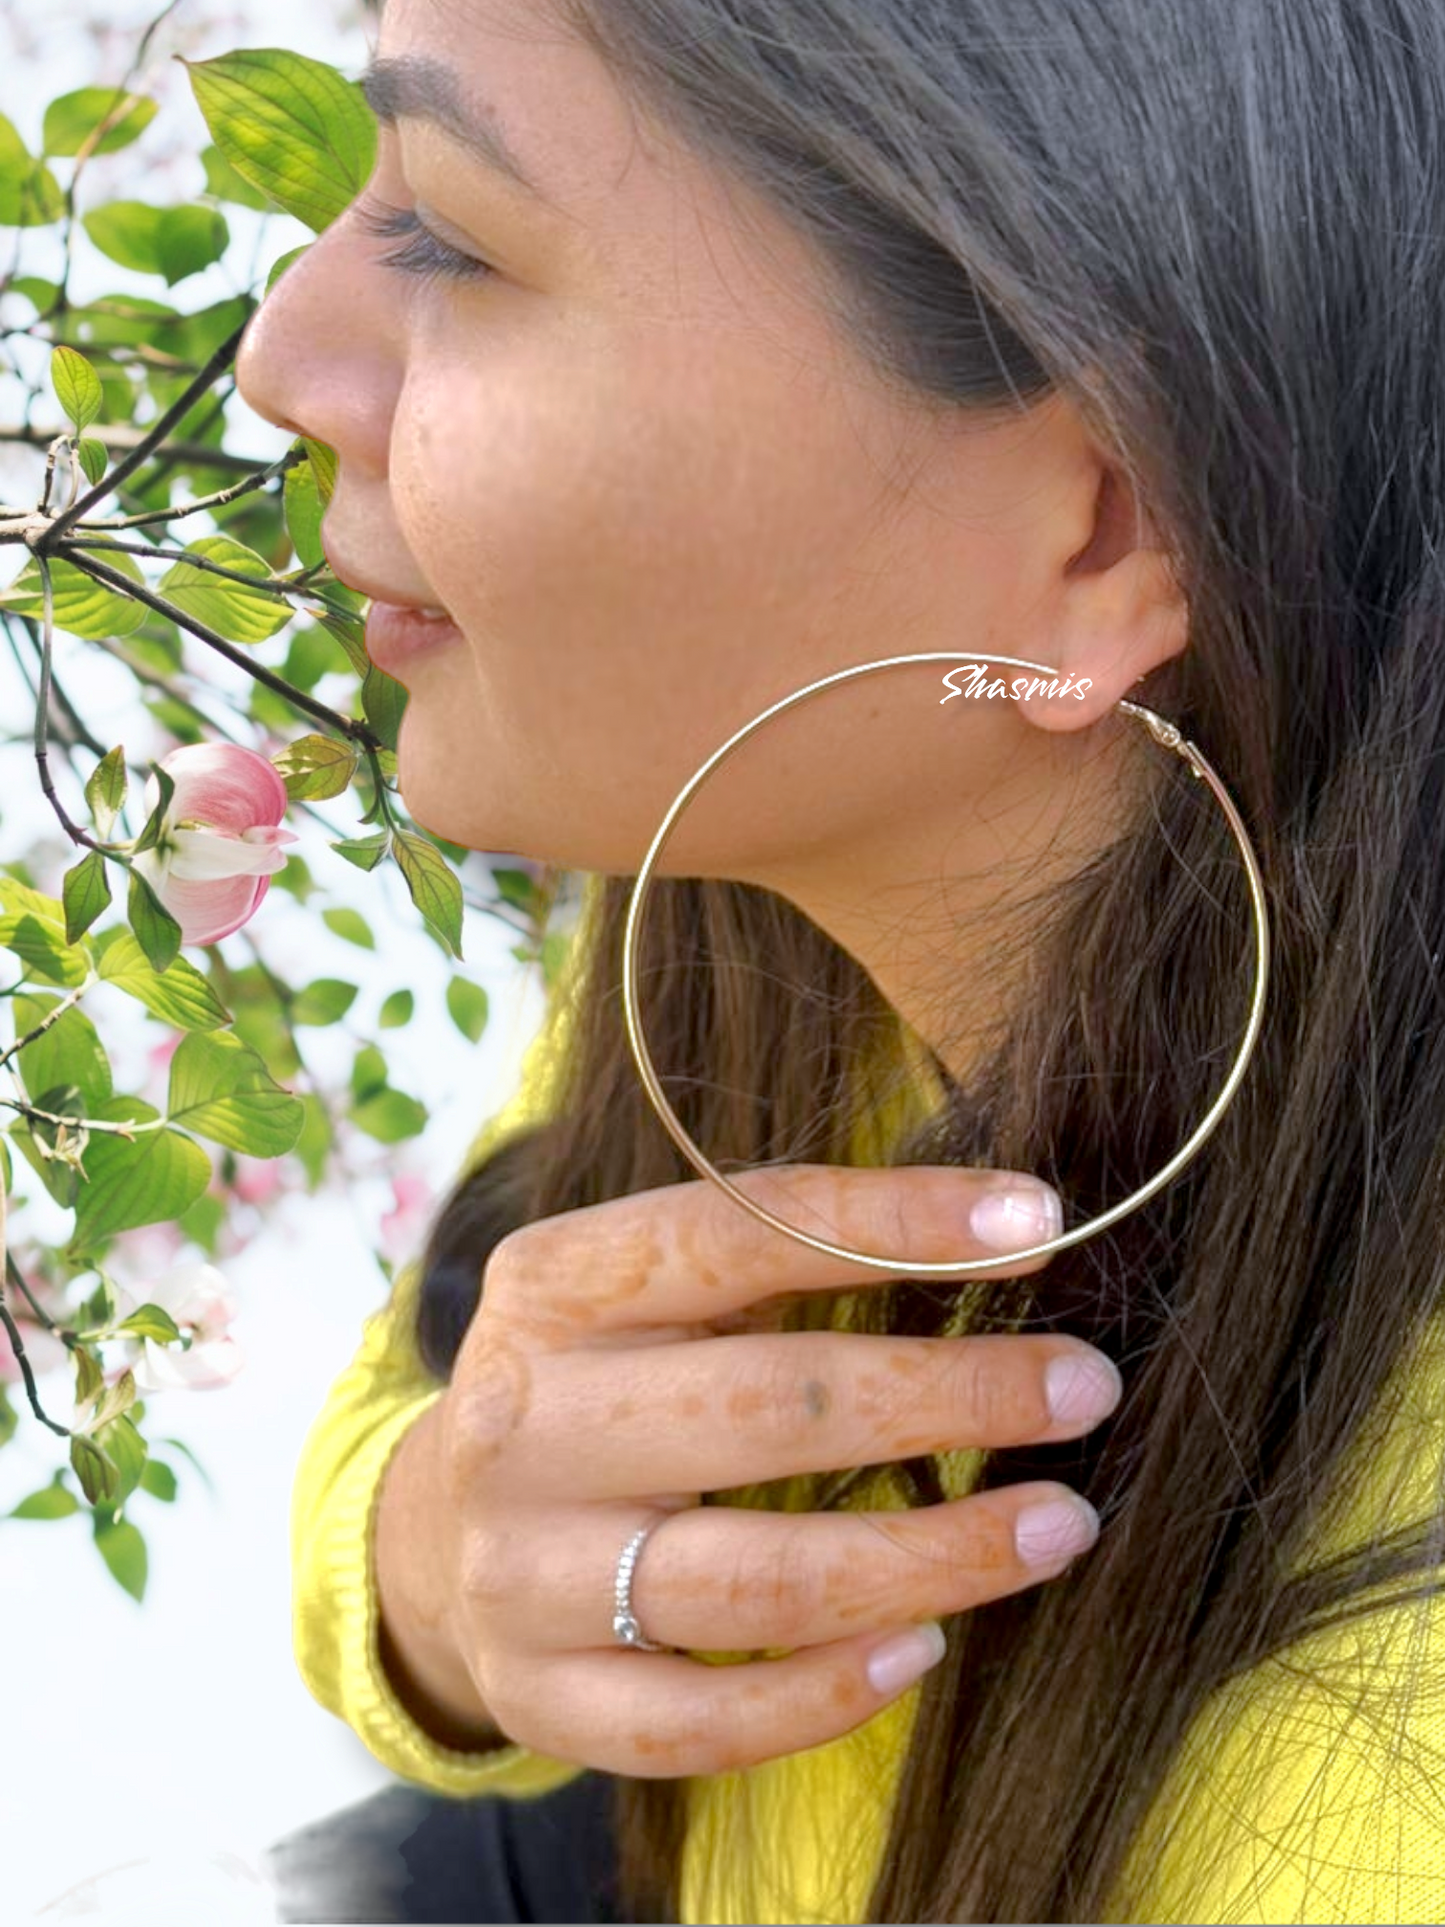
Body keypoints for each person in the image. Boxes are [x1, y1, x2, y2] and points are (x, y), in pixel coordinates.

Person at [237, 0, 1445, 1919]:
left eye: (455, 242)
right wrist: (441, 1572)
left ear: (1103, 523)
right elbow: (440, 1379)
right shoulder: (752, 925)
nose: (279, 357)